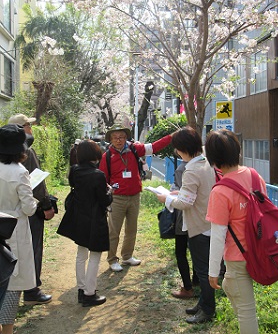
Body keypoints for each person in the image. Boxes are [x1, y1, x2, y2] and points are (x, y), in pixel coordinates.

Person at [205, 129, 266, 334]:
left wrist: (212, 271)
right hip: (260, 250)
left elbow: (218, 235)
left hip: (238, 258)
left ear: (213, 159)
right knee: (232, 287)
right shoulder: (255, 176)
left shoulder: (221, 191)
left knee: (247, 312)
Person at [155, 126, 216, 324]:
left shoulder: (191, 170)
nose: (176, 152)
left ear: (182, 148)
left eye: (177, 148)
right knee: (204, 269)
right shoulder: (205, 162)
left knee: (203, 271)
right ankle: (203, 303)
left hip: (199, 225)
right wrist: (176, 194)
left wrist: (166, 198)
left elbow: (185, 203)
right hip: (208, 221)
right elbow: (193, 195)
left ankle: (207, 310)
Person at [100, 123, 172, 272]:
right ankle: (112, 259)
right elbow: (103, 179)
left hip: (134, 196)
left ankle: (127, 256)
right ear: (111, 140)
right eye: (115, 138)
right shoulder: (106, 156)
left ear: (126, 137)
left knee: (131, 229)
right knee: (114, 231)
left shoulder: (134, 149)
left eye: (121, 137)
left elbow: (154, 147)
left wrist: (171, 137)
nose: (119, 140)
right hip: (117, 198)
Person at [57, 140, 112, 307]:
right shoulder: (98, 175)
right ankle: (90, 293)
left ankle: (82, 290)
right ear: (94, 155)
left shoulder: (74, 171)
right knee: (95, 255)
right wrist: (110, 192)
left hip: (79, 217)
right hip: (95, 219)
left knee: (81, 254)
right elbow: (103, 200)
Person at [8, 114, 54, 305]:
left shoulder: (5, 153)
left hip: (7, 210)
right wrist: (46, 205)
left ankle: (13, 289)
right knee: (32, 248)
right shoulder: (26, 151)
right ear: (21, 129)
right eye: (28, 125)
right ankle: (31, 290)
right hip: (29, 208)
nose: (31, 129)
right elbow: (37, 183)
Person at [0, 124, 37, 334]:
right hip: (12, 230)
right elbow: (29, 208)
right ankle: (8, 330)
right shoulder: (20, 172)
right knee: (11, 283)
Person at [170, 161, 199, 299]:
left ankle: (187, 287)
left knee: (181, 251)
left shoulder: (183, 168)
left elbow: (181, 195)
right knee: (196, 250)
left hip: (183, 216)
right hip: (199, 217)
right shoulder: (205, 165)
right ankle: (196, 280)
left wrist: (168, 197)